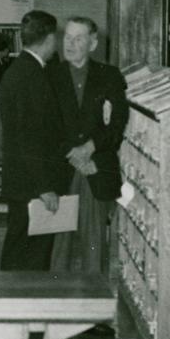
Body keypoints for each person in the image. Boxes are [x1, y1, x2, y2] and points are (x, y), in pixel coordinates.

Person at [48, 17, 128, 291]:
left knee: (94, 242)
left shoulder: (110, 76)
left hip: (96, 167)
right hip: (61, 169)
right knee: (58, 243)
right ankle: (55, 306)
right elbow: (45, 125)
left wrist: (89, 149)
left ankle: (94, 308)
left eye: (78, 38)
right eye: (67, 37)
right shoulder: (50, 75)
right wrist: (73, 154)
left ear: (92, 43)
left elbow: (117, 124)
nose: (70, 44)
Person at [0, 9, 68, 271]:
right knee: (31, 257)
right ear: (50, 38)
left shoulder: (17, 71)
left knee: (18, 249)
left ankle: (12, 304)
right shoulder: (33, 77)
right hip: (33, 185)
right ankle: (22, 306)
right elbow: (31, 138)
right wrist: (44, 186)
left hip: (21, 180)